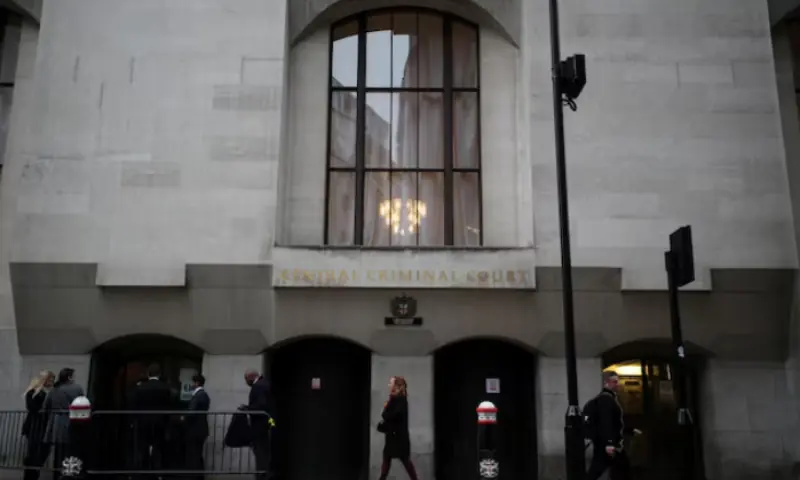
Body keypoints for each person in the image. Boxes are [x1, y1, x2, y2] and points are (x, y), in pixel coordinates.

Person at [586, 370, 637, 480]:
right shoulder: (606, 400)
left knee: (615, 470)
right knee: (619, 470)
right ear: (606, 383)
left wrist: (629, 430)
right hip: (608, 445)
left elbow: (613, 423)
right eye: (614, 381)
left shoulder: (608, 399)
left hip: (607, 444)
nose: (617, 384)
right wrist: (609, 443)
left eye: (617, 381)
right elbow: (606, 422)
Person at [131, 363, 173, 472]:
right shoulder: (165, 388)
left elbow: (135, 404)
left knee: (142, 447)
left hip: (143, 422)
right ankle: (158, 471)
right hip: (160, 422)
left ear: (148, 373)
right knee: (158, 447)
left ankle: (142, 470)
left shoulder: (141, 387)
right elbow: (168, 406)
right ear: (159, 374)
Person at [43, 368, 84, 480]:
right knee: (70, 452)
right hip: (70, 422)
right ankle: (68, 475)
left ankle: (57, 475)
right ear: (70, 377)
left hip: (55, 424)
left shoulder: (54, 390)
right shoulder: (77, 388)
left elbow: (46, 407)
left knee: (58, 453)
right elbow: (81, 405)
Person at [377, 376, 418, 480]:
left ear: (396, 386)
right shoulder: (394, 399)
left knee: (405, 461)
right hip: (392, 437)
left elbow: (389, 415)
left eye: (391, 383)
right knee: (386, 461)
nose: (389, 385)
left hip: (399, 439)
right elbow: (386, 414)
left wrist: (386, 411)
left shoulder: (400, 401)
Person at [241, 369, 275, 480]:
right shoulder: (264, 383)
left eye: (246, 379)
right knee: (263, 451)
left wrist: (248, 409)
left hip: (259, 425)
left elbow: (261, 404)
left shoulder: (258, 386)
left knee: (260, 451)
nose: (246, 382)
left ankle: (262, 475)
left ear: (251, 377)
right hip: (264, 424)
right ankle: (263, 473)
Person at [22, 370, 55, 480]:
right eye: (50, 379)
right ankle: (31, 475)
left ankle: (32, 473)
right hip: (35, 426)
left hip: (41, 426)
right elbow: (32, 407)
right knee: (35, 453)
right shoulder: (33, 392)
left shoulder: (47, 392)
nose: (52, 382)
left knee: (40, 452)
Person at [183, 373, 210, 480]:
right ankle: (198, 475)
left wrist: (182, 418)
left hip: (195, 430)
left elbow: (192, 412)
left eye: (192, 382)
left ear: (197, 383)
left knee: (194, 454)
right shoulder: (202, 395)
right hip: (200, 429)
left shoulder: (199, 395)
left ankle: (195, 476)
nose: (191, 384)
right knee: (197, 453)